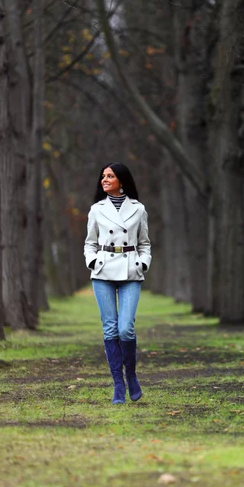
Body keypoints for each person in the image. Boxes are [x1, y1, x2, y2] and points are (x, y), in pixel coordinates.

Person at [84, 162, 151, 404]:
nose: (104, 180)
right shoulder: (96, 209)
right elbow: (90, 242)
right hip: (102, 271)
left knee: (126, 328)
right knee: (110, 328)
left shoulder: (138, 209)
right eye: (103, 176)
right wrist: (92, 261)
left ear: (121, 180)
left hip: (130, 271)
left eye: (110, 176)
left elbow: (144, 243)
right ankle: (118, 385)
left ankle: (131, 375)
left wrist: (143, 263)